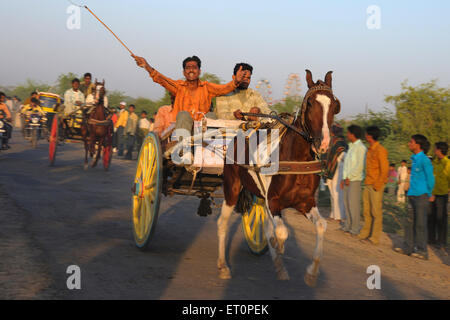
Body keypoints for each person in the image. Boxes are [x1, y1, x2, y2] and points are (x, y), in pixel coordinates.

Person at [133, 55, 246, 134]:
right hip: (181, 129)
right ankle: (184, 151)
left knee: (211, 117)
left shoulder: (207, 87)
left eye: (194, 68)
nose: (191, 70)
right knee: (183, 114)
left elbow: (224, 89)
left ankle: (209, 150)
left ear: (199, 71)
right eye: (188, 68)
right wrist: (147, 66)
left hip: (201, 130)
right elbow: (161, 79)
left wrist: (236, 81)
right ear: (184, 72)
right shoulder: (178, 86)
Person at [395, 135, 435, 260]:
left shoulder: (424, 160)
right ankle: (408, 248)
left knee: (420, 224)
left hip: (422, 196)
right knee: (409, 222)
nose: (409, 144)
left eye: (411, 142)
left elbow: (430, 178)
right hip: (412, 194)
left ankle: (422, 251)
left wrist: (429, 193)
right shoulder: (414, 159)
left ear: (418, 145)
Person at [358, 126, 389, 245]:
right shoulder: (369, 149)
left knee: (376, 212)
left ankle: (374, 237)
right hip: (368, 183)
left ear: (370, 136)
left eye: (366, 135)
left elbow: (385, 169)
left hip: (376, 184)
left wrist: (378, 184)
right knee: (366, 211)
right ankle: (365, 233)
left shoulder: (380, 150)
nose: (365, 136)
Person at [340, 125, 367, 235]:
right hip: (347, 179)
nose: (347, 135)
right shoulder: (351, 147)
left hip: (354, 180)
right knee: (346, 203)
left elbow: (359, 166)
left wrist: (349, 177)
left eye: (348, 133)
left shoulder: (361, 148)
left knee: (353, 204)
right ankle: (348, 225)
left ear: (353, 134)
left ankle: (355, 228)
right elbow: (347, 165)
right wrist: (343, 178)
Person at [324, 124, 348, 223]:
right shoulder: (334, 141)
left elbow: (344, 156)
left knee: (337, 192)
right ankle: (334, 214)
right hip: (332, 169)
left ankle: (339, 216)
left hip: (339, 169)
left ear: (333, 132)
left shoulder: (340, 142)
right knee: (333, 193)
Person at [429, 142, 449, 250]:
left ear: (440, 150)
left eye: (435, 149)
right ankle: (431, 239)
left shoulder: (448, 163)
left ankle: (441, 242)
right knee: (431, 216)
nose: (434, 151)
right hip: (433, 193)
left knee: (441, 218)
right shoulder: (434, 163)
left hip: (442, 195)